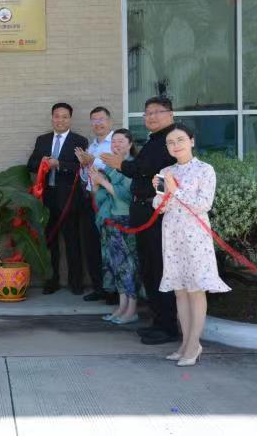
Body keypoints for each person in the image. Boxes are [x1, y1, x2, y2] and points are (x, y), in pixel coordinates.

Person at [101, 96, 178, 345]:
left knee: (158, 268)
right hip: (143, 211)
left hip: (156, 214)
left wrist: (122, 165)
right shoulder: (154, 140)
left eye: (157, 112)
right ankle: (158, 321)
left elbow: (148, 169)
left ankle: (168, 326)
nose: (151, 116)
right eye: (148, 113)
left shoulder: (170, 140)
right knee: (149, 269)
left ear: (170, 114)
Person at [153, 123, 230, 366]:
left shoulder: (205, 170)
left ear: (192, 141)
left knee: (195, 289)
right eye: (170, 142)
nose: (175, 145)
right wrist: (160, 193)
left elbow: (203, 204)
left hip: (195, 236)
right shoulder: (165, 171)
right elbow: (159, 207)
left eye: (180, 140)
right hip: (172, 235)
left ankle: (194, 344)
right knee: (180, 290)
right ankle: (185, 343)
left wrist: (175, 191)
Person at [27, 102, 89, 294]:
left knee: (72, 241)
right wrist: (42, 162)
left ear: (70, 119)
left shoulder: (79, 140)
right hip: (46, 198)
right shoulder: (42, 140)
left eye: (64, 116)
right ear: (52, 117)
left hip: (69, 198)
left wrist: (59, 164)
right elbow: (30, 164)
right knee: (50, 241)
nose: (60, 120)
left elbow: (82, 167)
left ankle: (76, 283)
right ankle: (51, 281)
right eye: (56, 116)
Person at [89, 129, 140, 324]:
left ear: (130, 144)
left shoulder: (133, 167)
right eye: (114, 141)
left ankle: (132, 309)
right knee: (115, 265)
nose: (116, 145)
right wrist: (96, 184)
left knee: (128, 266)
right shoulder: (110, 167)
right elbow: (100, 197)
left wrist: (103, 182)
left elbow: (127, 195)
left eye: (120, 141)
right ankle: (121, 306)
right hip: (109, 220)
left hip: (126, 221)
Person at [74, 106, 114, 302]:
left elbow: (116, 168)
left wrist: (93, 161)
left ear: (109, 121)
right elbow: (86, 177)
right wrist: (84, 165)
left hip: (109, 201)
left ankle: (113, 291)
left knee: (110, 246)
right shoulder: (91, 146)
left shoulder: (115, 143)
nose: (98, 123)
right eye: (94, 120)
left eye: (101, 119)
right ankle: (99, 287)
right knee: (92, 246)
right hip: (91, 200)